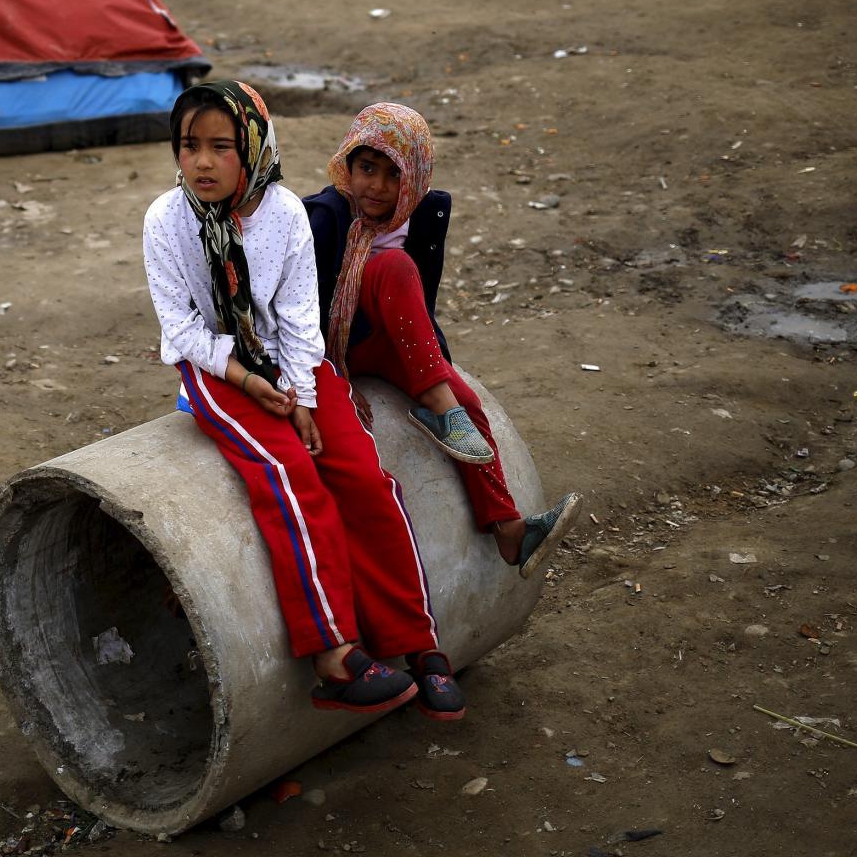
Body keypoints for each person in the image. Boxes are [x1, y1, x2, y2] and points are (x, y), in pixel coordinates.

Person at [143, 80, 464, 721]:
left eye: (221, 146)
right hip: (217, 367)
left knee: (365, 477)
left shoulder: (286, 214)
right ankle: (333, 657)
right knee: (289, 474)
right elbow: (181, 330)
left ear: (253, 146)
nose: (202, 162)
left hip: (295, 365)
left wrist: (305, 397)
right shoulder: (166, 220)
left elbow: (297, 317)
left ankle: (417, 643)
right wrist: (247, 380)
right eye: (188, 145)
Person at [304, 103, 579, 579]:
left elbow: (420, 307)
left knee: (467, 401)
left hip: (391, 342)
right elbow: (298, 308)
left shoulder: (424, 215)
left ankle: (509, 529)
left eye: (394, 174)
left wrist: (439, 369)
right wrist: (329, 378)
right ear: (348, 163)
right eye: (367, 168)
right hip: (338, 346)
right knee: (394, 266)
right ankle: (441, 407)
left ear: (414, 178)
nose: (377, 186)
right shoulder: (323, 216)